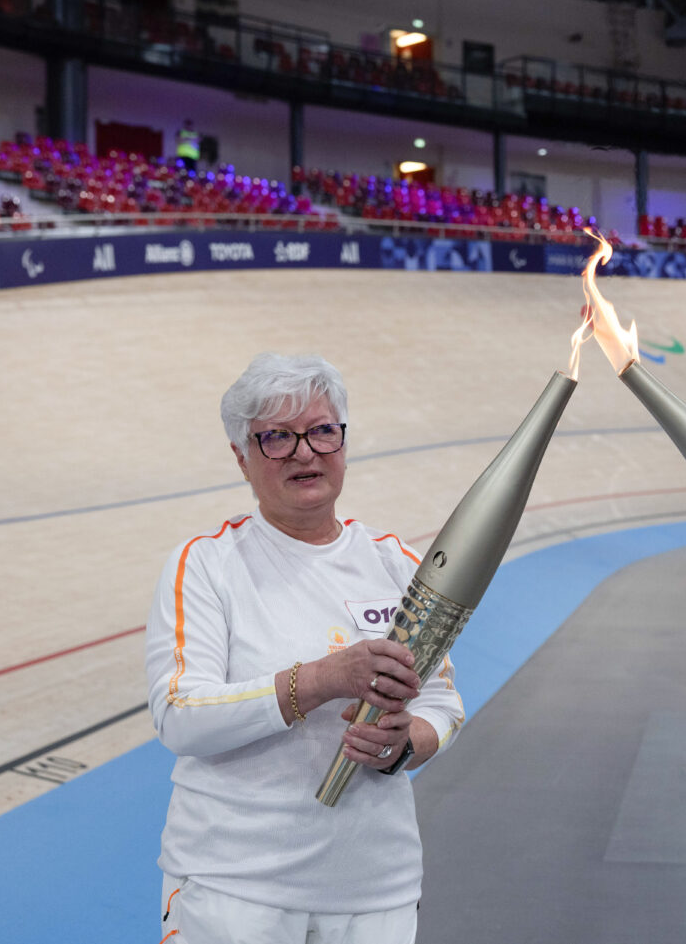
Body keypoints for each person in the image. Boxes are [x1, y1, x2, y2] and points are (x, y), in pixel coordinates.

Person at [145, 352, 464, 943]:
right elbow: (179, 717)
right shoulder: (206, 565)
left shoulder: (398, 565)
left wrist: (404, 744)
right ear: (241, 457)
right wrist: (322, 679)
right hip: (236, 889)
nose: (305, 452)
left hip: (377, 891)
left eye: (321, 431)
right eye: (276, 438)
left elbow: (442, 704)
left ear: (343, 441)